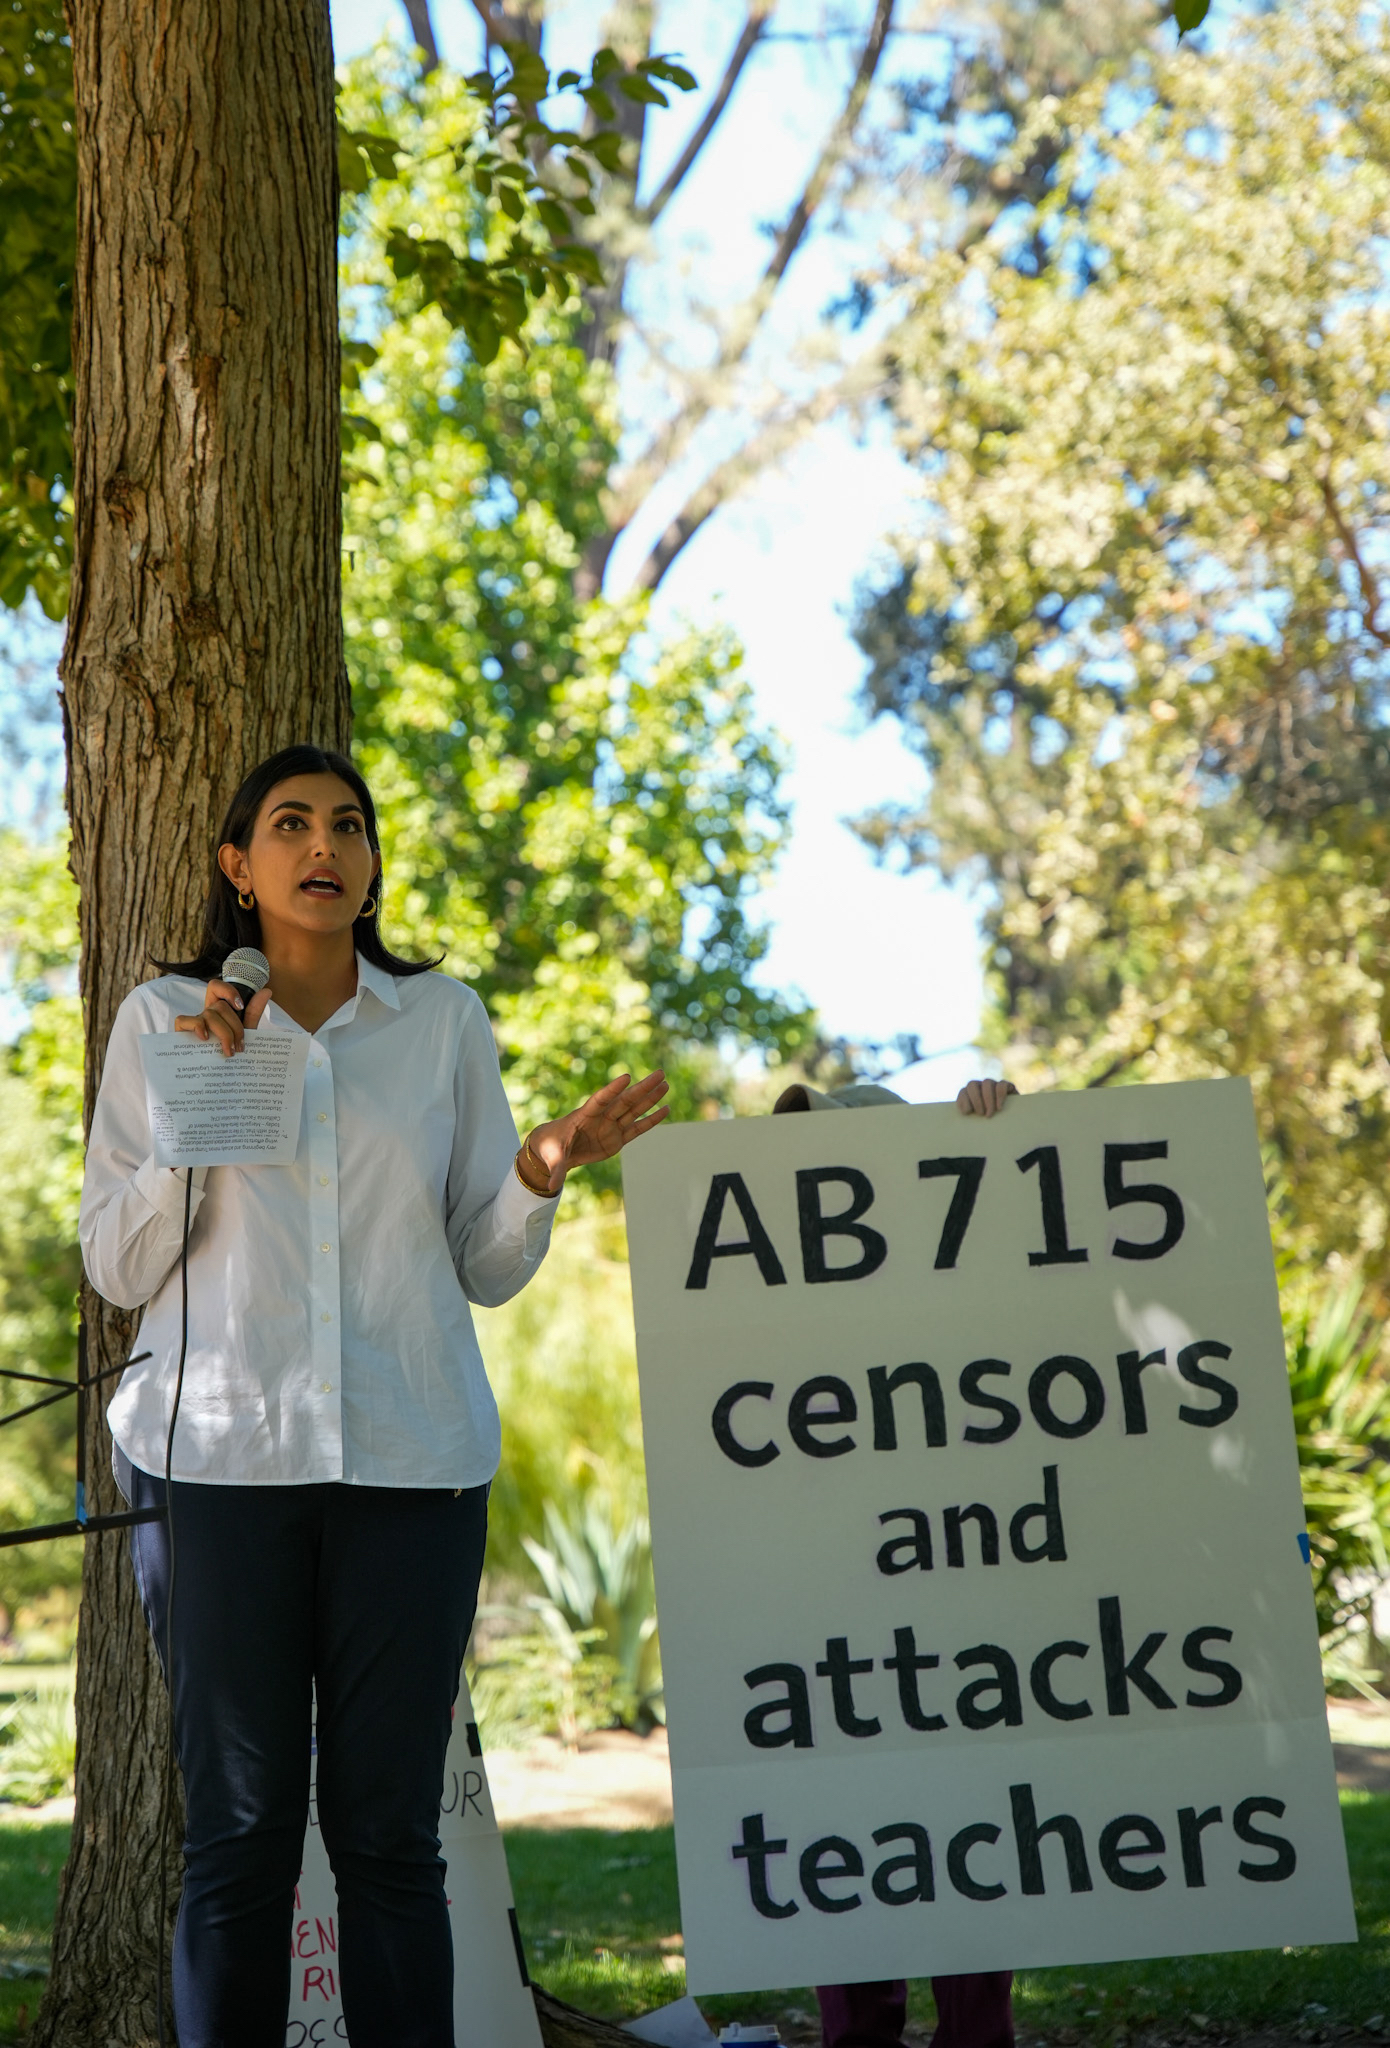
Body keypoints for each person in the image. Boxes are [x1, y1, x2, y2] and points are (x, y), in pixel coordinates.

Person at [79, 743, 669, 2048]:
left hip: (411, 1465)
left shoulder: (439, 1020)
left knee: (390, 1833)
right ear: (239, 867)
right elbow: (118, 1266)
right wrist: (206, 1095)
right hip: (217, 1466)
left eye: (348, 825)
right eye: (290, 824)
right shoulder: (162, 1019)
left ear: (371, 862)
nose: (324, 845)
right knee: (238, 1830)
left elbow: (483, 1264)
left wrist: (541, 1164)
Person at [771, 1071, 1018, 2048]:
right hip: (830, 1602)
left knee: (965, 1814)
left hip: (956, 1592)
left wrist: (997, 1137)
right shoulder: (774, 1294)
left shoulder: (964, 1285)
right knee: (846, 1817)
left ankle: (974, 2033)